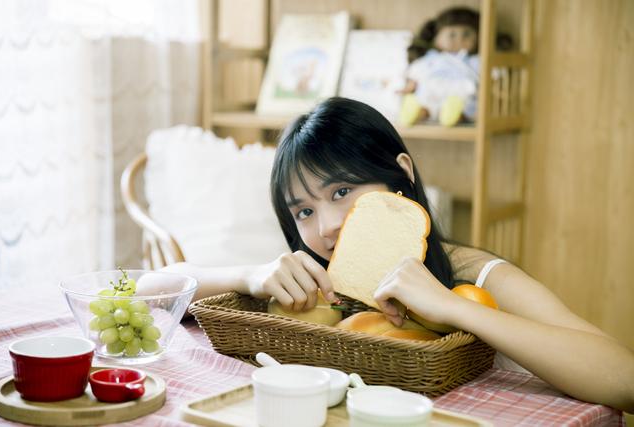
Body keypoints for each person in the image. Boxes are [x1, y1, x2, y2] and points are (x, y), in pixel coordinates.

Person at [159, 97, 634, 412]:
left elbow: (623, 380)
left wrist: (452, 308)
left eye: (342, 190)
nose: (326, 227)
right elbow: (143, 291)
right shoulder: (319, 281)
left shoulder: (474, 275)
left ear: (400, 174)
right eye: (303, 210)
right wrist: (249, 274)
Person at [399, 7, 510, 126]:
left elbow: (493, 73)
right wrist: (409, 88)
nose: (459, 39)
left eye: (466, 34)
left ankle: (455, 115)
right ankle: (415, 111)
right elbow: (416, 74)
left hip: (460, 94)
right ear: (436, 38)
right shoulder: (431, 58)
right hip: (433, 91)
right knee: (426, 104)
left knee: (467, 105)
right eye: (452, 35)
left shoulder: (474, 60)